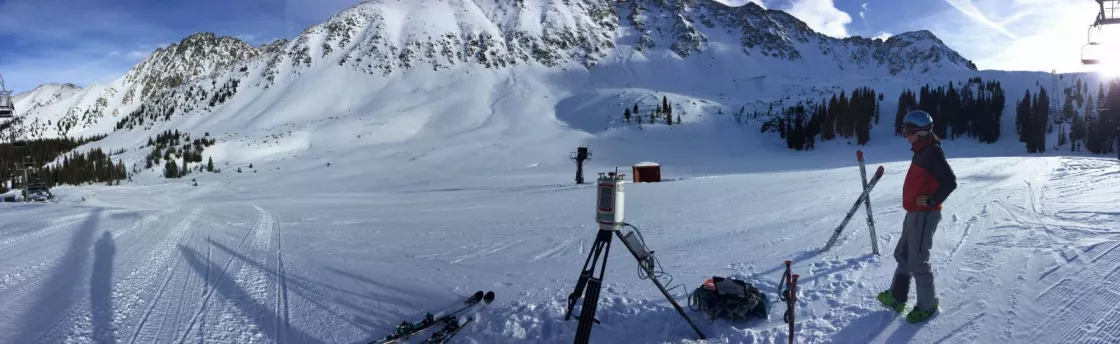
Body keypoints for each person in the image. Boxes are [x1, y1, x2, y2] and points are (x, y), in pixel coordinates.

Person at [877, 110, 957, 323]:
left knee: (918, 261)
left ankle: (928, 305)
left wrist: (931, 200)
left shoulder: (932, 152)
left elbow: (950, 182)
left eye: (909, 131)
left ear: (922, 132)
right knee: (903, 254)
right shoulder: (922, 150)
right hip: (913, 212)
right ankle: (897, 297)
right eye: (904, 130)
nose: (906, 135)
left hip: (925, 215)